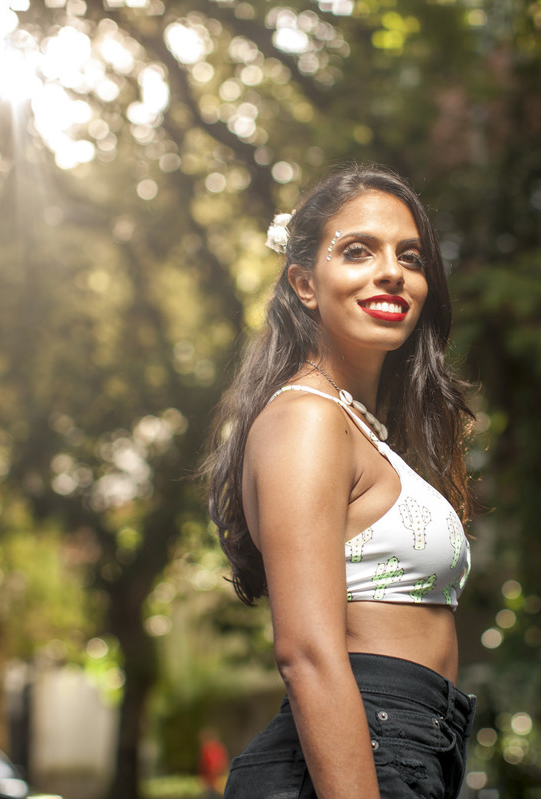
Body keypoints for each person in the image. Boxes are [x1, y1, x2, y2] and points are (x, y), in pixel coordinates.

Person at [203, 163, 476, 799]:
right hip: (360, 758)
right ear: (304, 282)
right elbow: (306, 654)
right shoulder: (305, 418)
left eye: (410, 256)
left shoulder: (361, 428)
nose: (392, 272)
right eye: (357, 251)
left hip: (410, 749)